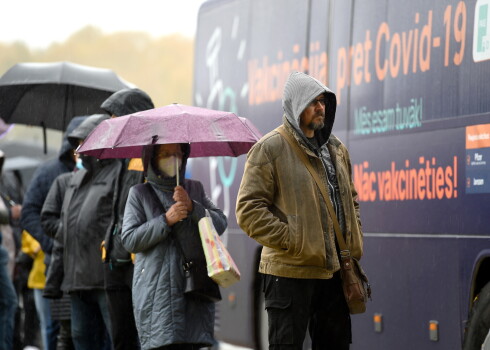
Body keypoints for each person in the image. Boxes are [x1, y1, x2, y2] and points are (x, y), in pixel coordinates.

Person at [236, 71, 363, 349]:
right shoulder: (269, 148)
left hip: (333, 273)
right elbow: (248, 210)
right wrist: (296, 240)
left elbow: (350, 200)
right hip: (289, 274)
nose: (321, 108)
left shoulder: (336, 149)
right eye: (313, 102)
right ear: (295, 106)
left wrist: (352, 238)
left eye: (323, 101)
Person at [121, 143, 227, 350]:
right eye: (166, 154)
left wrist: (193, 207)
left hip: (193, 290)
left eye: (178, 153)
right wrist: (165, 220)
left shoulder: (194, 188)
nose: (173, 158)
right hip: (156, 293)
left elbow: (220, 224)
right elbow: (130, 239)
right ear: (152, 158)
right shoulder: (140, 193)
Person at [20, 116, 86, 350]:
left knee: (82, 331)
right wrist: (51, 243)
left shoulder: (99, 174)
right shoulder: (49, 173)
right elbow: (29, 213)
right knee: (56, 329)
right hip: (55, 266)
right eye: (78, 143)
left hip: (87, 268)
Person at [56, 114, 117, 350]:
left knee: (112, 337)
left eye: (84, 141)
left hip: (103, 276)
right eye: (77, 142)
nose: (79, 149)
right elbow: (65, 222)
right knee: (81, 337)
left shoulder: (116, 173)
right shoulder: (77, 178)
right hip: (76, 278)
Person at [99, 88, 154, 350]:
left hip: (138, 261)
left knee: (143, 335)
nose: (111, 123)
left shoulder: (155, 155)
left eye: (115, 117)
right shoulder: (118, 158)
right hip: (114, 259)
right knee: (120, 337)